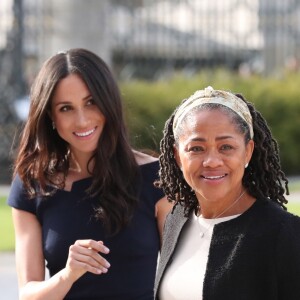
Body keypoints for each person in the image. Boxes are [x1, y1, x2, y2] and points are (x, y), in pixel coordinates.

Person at [7, 48, 172, 300]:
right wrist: (68, 274)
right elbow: (28, 295)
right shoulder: (33, 183)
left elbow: (184, 280)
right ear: (50, 115)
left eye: (91, 102)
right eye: (66, 108)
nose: (82, 120)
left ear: (109, 102)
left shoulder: (157, 177)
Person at [154, 86, 300, 300]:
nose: (212, 161)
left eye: (226, 147)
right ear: (177, 156)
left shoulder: (284, 234)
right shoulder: (176, 220)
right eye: (196, 148)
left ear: (248, 151)